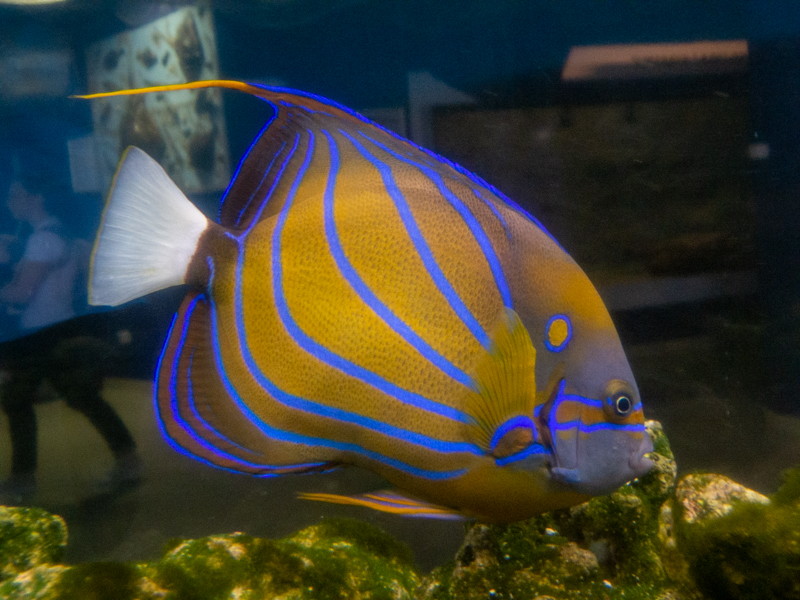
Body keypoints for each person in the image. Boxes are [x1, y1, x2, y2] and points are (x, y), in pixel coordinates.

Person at [0, 175, 143, 504]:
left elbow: (22, 294)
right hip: (56, 329)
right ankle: (127, 459)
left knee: (20, 401)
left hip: (42, 334)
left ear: (37, 198)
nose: (10, 202)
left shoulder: (42, 241)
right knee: (78, 397)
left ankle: (23, 479)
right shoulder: (52, 234)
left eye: (17, 194)